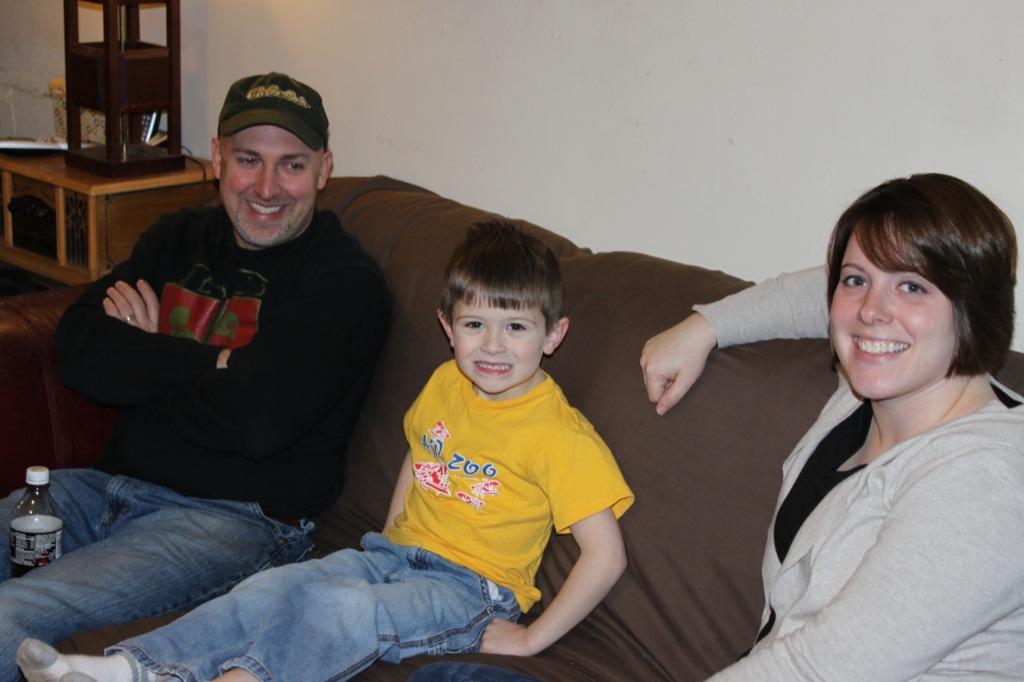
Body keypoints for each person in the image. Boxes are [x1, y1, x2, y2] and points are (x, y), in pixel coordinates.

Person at [407, 172, 1024, 682]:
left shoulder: (986, 480)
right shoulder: (868, 393)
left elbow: (825, 666)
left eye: (912, 287)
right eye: (858, 280)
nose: (872, 310)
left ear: (975, 309)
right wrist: (704, 328)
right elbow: (821, 293)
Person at [17, 220, 634, 682]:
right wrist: (390, 537)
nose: (492, 346)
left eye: (516, 327)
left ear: (553, 335)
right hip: (392, 557)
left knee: (338, 610)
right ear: (448, 328)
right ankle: (129, 668)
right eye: (475, 325)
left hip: (469, 590)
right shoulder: (447, 382)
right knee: (268, 590)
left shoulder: (559, 435)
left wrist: (531, 639)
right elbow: (420, 453)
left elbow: (605, 556)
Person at [1, 72, 389, 682]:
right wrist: (207, 363)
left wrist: (147, 352)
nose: (267, 187)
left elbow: (259, 422)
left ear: (324, 169)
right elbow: (78, 349)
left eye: (291, 165)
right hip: (102, 490)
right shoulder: (178, 237)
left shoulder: (344, 283)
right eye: (248, 160)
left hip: (229, 522)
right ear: (217, 159)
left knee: (12, 615)